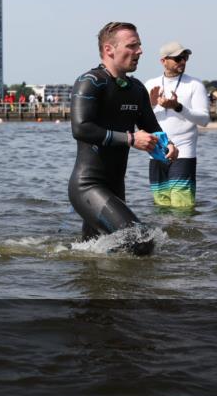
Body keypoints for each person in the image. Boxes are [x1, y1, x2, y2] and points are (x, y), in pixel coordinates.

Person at [68, 22, 178, 255]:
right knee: (142, 241)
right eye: (132, 46)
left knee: (92, 253)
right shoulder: (90, 81)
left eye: (139, 46)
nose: (140, 51)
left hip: (115, 187)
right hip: (88, 186)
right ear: (109, 49)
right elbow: (81, 128)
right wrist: (130, 139)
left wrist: (167, 145)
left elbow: (152, 127)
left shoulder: (136, 89)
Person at [143, 42, 209, 209]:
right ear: (163, 61)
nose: (183, 61)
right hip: (156, 152)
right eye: (178, 58)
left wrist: (177, 107)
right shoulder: (150, 84)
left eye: (185, 58)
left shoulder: (195, 84)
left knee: (182, 208)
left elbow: (204, 120)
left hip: (184, 152)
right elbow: (139, 120)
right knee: (161, 208)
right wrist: (150, 104)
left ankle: (183, 228)